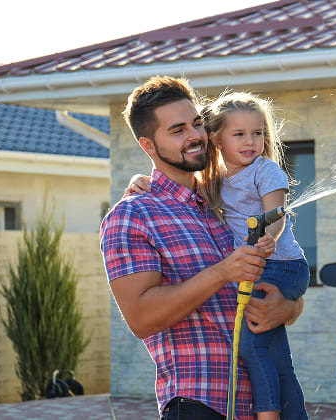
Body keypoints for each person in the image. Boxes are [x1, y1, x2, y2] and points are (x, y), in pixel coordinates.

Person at [100, 76, 304, 420]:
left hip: (270, 401)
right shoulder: (134, 214)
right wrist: (223, 272)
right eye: (177, 130)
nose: (194, 135)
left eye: (197, 123)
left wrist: (289, 309)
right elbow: (142, 318)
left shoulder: (225, 200)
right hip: (202, 404)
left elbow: (272, 283)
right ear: (149, 146)